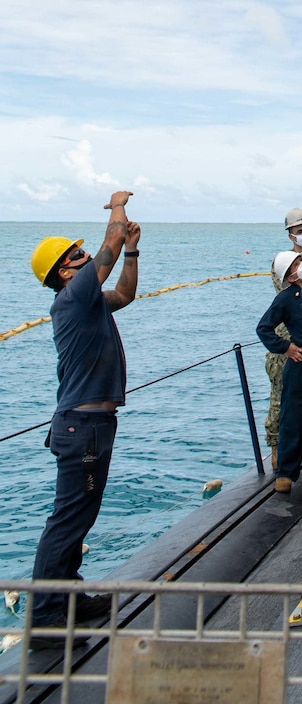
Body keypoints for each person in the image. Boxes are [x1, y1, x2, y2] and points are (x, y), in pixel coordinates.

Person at [27, 191, 139, 649]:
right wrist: (117, 208)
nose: (87, 253)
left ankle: (68, 596)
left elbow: (126, 293)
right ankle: (46, 614)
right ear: (64, 272)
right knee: (68, 519)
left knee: (80, 515)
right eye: (78, 254)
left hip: (91, 426)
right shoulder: (73, 297)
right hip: (82, 427)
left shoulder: (89, 301)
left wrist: (133, 249)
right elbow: (110, 241)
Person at [256, 252, 302, 493]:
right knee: (292, 416)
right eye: (296, 264)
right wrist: (286, 347)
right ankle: (285, 472)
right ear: (290, 275)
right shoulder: (285, 299)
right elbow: (264, 328)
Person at [265, 209, 302, 468]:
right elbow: (287, 295)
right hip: (286, 343)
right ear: (290, 235)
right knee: (282, 398)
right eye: (299, 231)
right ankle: (278, 449)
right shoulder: (283, 263)